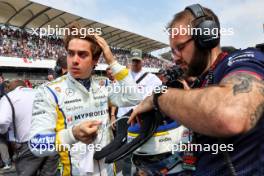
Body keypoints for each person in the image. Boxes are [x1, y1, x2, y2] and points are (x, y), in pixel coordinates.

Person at [129, 4, 264, 175]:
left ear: (206, 37)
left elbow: (231, 114)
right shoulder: (200, 81)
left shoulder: (243, 60)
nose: (174, 57)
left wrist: (158, 97)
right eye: (172, 50)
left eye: (180, 47)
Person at [29, 24, 142, 176]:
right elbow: (36, 144)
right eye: (71, 53)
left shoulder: (104, 85)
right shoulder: (48, 91)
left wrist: (112, 61)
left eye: (82, 54)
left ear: (95, 60)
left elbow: (134, 97)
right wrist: (73, 134)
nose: (74, 60)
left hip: (110, 171)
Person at [116, 49, 162, 176]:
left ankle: (138, 173)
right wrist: (112, 114)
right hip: (123, 118)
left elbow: (160, 94)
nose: (135, 63)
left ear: (142, 61)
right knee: (125, 153)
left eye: (137, 61)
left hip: (139, 119)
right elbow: (115, 96)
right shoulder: (123, 76)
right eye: (133, 61)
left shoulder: (151, 78)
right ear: (130, 61)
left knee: (140, 151)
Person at [0, 80, 59, 176]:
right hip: (52, 140)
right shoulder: (41, 93)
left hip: (29, 143)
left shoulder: (9, 97)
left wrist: (3, 131)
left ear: (10, 88)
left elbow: (2, 121)